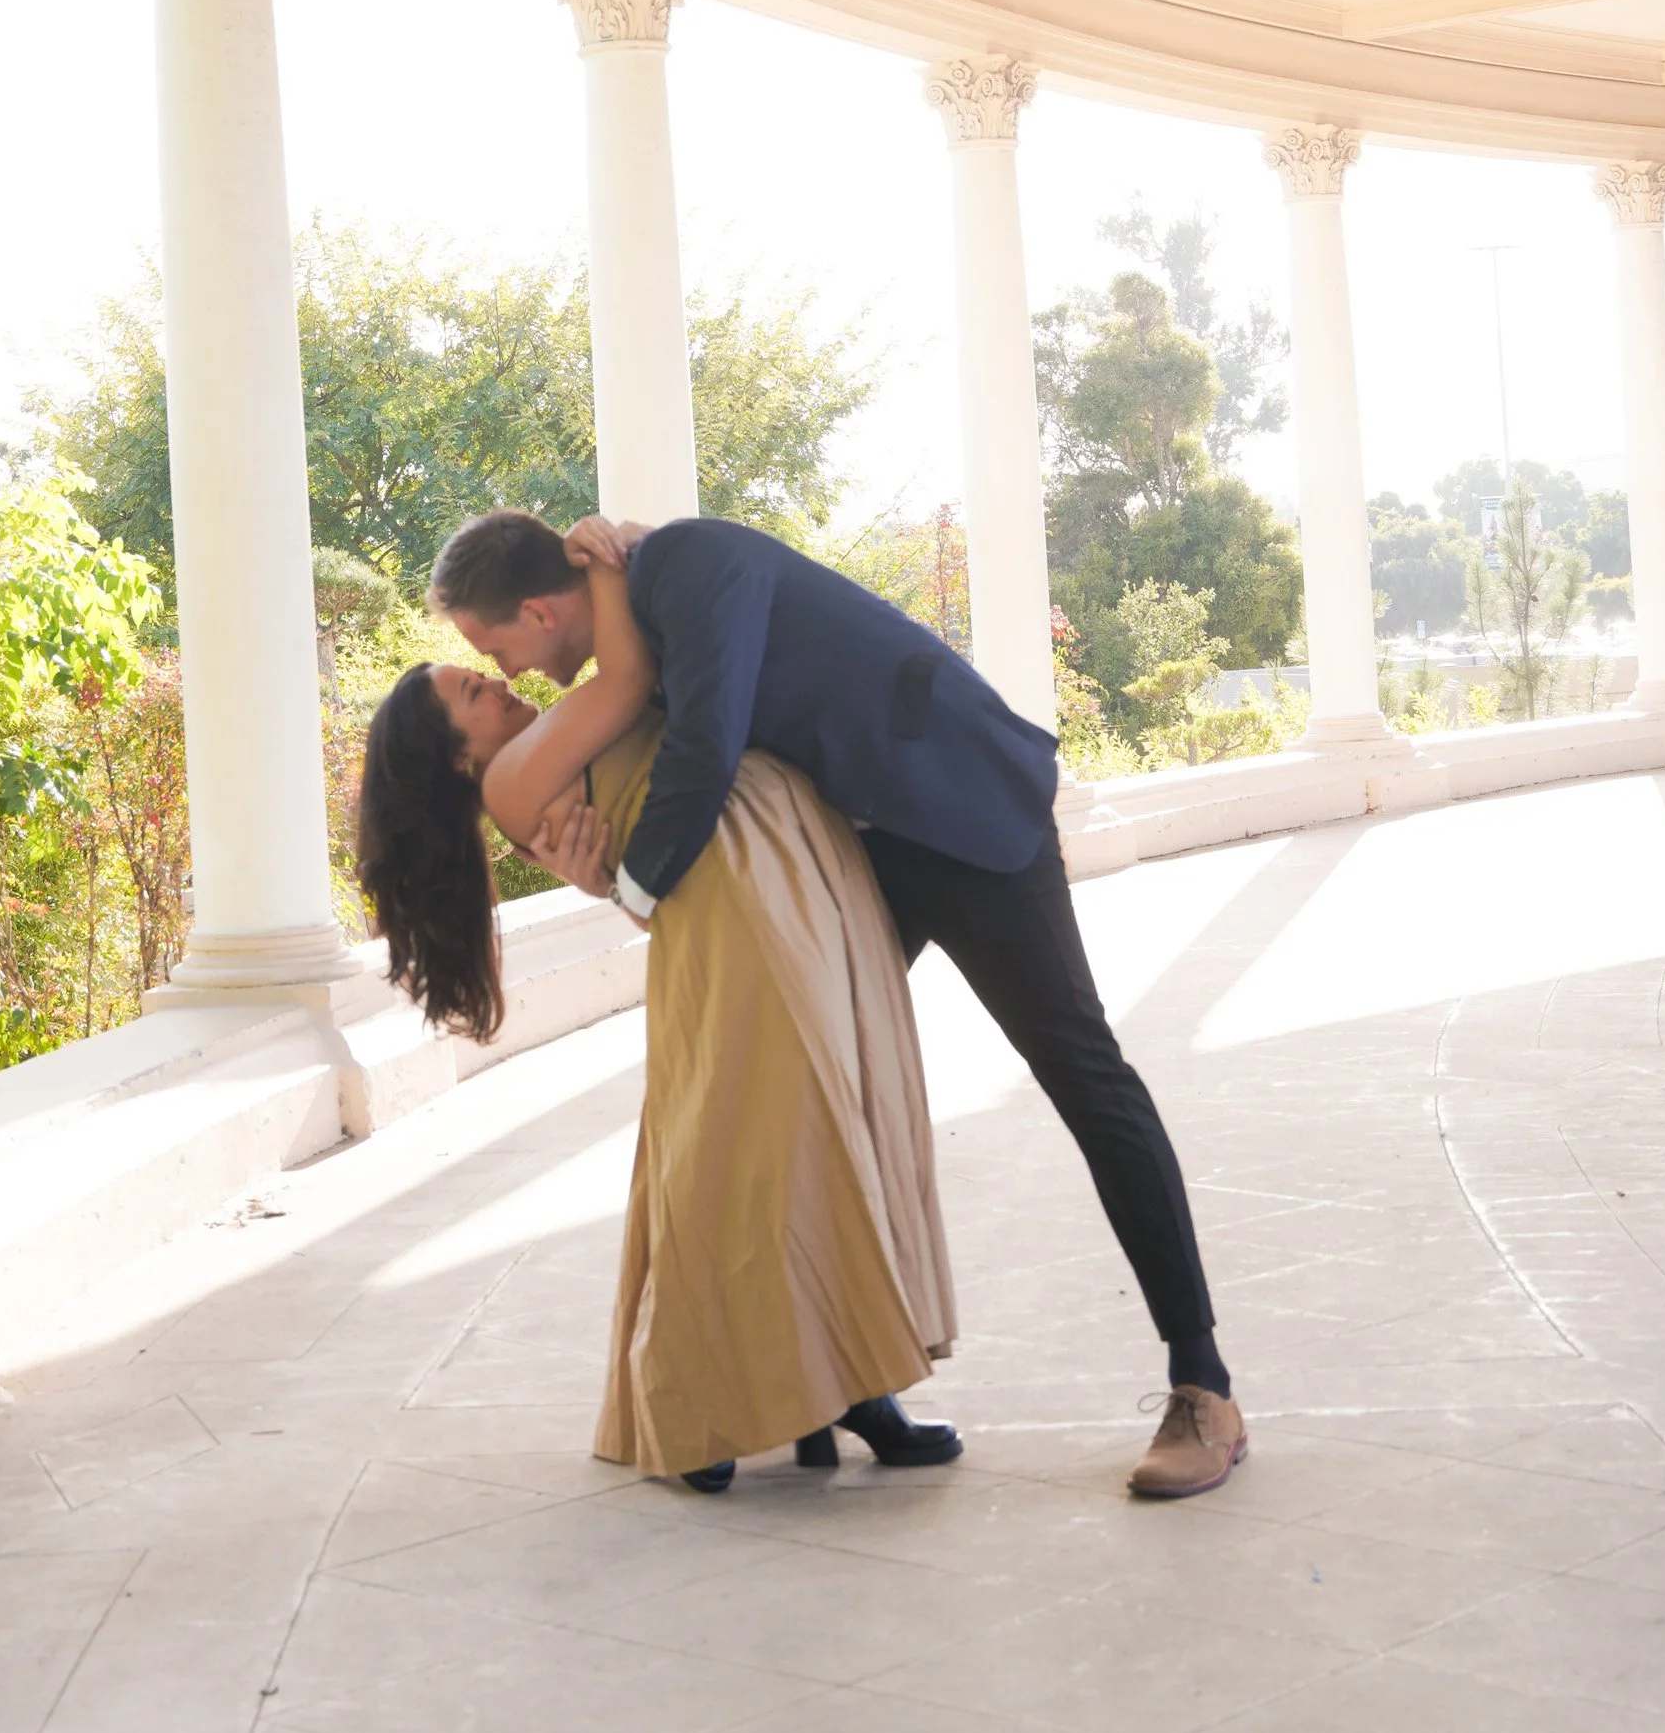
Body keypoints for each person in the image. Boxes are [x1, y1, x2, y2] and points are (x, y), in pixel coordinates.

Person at [431, 508, 1245, 1500]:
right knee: (792, 1092)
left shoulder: (685, 561)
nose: (505, 671)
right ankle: (834, 1379)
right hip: (853, 857)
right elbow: (640, 777)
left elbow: (705, 742)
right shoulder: (628, 622)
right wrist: (596, 867)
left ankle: (1202, 1385)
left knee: (1083, 1074)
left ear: (536, 607)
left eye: (494, 647)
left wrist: (639, 891)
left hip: (960, 809)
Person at [357, 527, 962, 1491]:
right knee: (749, 1151)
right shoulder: (518, 776)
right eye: (474, 694)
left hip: (786, 876)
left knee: (825, 1121)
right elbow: (632, 675)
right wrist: (601, 550)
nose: (499, 682)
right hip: (741, 910)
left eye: (486, 671)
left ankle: (843, 1385)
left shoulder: (550, 739)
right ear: (453, 755)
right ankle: (710, 1403)